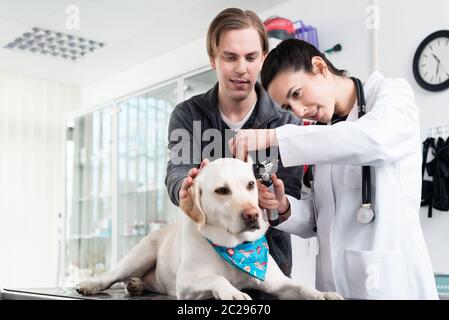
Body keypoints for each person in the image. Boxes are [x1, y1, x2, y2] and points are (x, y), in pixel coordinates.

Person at [229, 38, 438, 299]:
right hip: (332, 285)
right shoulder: (319, 136)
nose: (299, 111)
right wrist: (283, 207)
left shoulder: (391, 93)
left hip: (390, 283)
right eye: (288, 107)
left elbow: (377, 139)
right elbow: (316, 221)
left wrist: (276, 137)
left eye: (296, 94)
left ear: (319, 67)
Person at [165, 9, 304, 281]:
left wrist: (276, 204)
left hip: (268, 268)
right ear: (212, 59)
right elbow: (177, 171)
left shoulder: (286, 125)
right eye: (230, 57)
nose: (242, 68)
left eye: (251, 57)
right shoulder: (187, 115)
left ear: (263, 58)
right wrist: (185, 186)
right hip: (203, 266)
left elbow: (290, 199)